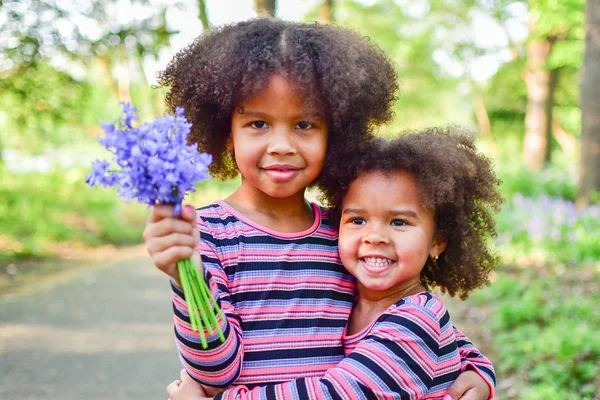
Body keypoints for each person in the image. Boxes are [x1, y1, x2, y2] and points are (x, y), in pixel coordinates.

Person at [143, 19, 493, 399]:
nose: (281, 145)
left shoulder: (345, 233)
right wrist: (186, 279)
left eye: (304, 124)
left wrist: (477, 369)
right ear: (227, 134)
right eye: (258, 123)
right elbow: (215, 371)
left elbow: (411, 323)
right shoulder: (207, 234)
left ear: (335, 134)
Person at [166, 128, 501, 399]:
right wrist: (476, 365)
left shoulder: (415, 318)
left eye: (399, 222)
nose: (375, 236)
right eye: (356, 220)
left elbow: (334, 393)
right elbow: (446, 342)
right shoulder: (356, 288)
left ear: (438, 241)